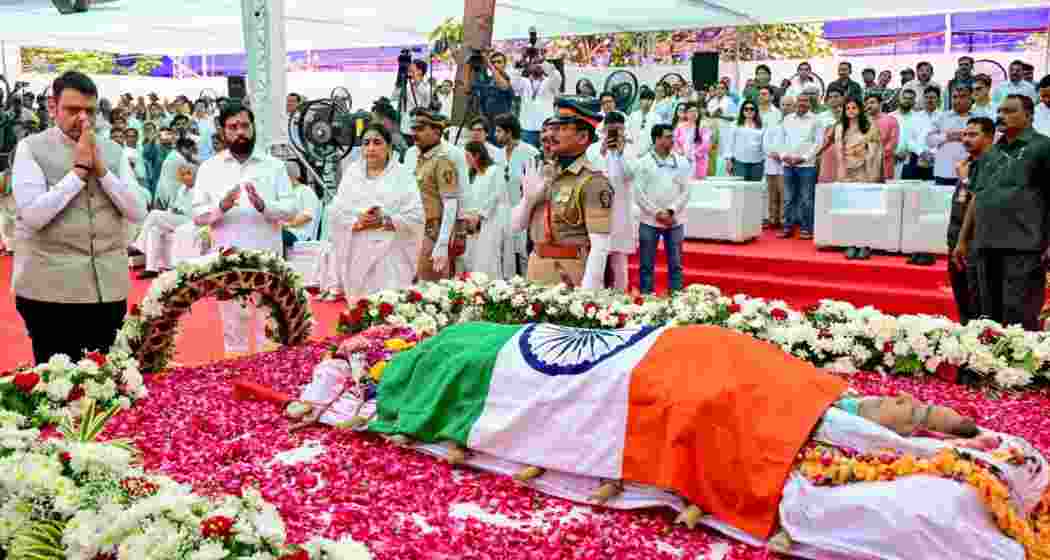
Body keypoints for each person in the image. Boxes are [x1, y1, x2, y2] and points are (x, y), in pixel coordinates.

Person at [12, 71, 147, 364]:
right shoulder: (31, 149)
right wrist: (78, 173)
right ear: (53, 107)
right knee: (58, 383)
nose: (83, 119)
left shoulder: (113, 151)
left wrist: (102, 170)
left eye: (90, 111)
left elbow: (138, 210)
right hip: (49, 292)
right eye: (73, 110)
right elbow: (33, 215)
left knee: (108, 380)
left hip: (108, 290)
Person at [191, 102, 302, 357]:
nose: (240, 132)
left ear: (253, 127)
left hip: (268, 263)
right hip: (228, 263)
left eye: (244, 125)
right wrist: (221, 207)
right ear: (223, 132)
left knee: (271, 335)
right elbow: (197, 215)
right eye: (233, 127)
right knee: (234, 338)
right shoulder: (209, 168)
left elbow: (291, 210)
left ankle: (271, 377)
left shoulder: (273, 166)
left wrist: (265, 206)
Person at [954, 95, 1050, 331]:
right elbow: (977, 198)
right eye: (999, 111)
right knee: (989, 318)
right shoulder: (991, 153)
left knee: (1020, 318)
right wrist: (963, 240)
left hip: (1024, 246)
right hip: (985, 244)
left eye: (1009, 111)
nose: (1001, 116)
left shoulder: (1043, 147)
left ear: (1029, 115)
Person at [512, 98, 614, 288]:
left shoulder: (593, 182)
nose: (552, 134)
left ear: (582, 137)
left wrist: (588, 293)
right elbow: (515, 226)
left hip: (569, 276)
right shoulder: (543, 172)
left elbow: (600, 246)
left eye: (562, 128)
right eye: (553, 128)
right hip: (536, 269)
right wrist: (528, 200)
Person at [322, 124, 422, 301]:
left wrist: (384, 220)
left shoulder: (403, 175)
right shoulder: (352, 174)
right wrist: (357, 220)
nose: (371, 148)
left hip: (391, 255)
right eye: (366, 143)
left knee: (388, 307)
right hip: (357, 252)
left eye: (377, 142)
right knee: (361, 309)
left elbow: (416, 215)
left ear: (389, 147)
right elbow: (336, 211)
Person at [613, 124, 691, 293]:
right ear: (657, 139)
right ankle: (646, 299)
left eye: (672, 136)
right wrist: (657, 213)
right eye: (668, 137)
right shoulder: (643, 162)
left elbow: (687, 190)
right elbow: (638, 193)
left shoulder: (682, 161)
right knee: (646, 265)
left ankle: (676, 299)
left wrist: (670, 211)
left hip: (675, 220)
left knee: (676, 264)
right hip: (649, 221)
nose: (672, 140)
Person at [945, 117, 995, 324]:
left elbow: (982, 201)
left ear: (990, 137)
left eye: (973, 135)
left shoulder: (993, 164)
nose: (966, 139)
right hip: (956, 239)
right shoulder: (967, 164)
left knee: (980, 303)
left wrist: (965, 180)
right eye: (965, 134)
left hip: (978, 241)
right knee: (963, 300)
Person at [410, 110, 465, 281]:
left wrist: (442, 243)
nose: (414, 133)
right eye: (413, 129)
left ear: (436, 132)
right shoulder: (420, 159)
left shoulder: (442, 161)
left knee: (428, 289)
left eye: (420, 129)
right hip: (416, 231)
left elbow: (451, 203)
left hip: (432, 234)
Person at [587, 111, 635, 291]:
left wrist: (621, 154)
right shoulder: (593, 149)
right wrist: (602, 152)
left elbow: (630, 175)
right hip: (598, 211)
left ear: (624, 130)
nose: (615, 134)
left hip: (620, 211)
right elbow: (589, 174)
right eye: (611, 130)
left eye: (619, 130)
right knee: (597, 258)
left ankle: (620, 296)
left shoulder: (629, 149)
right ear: (604, 130)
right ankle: (594, 295)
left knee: (619, 260)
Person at [832, 97, 883, 260]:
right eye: (848, 108)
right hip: (846, 171)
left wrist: (866, 156)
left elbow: (876, 149)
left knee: (864, 209)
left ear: (860, 109)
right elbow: (838, 151)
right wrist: (842, 170)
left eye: (854, 107)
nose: (851, 111)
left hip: (865, 171)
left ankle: (864, 245)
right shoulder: (840, 127)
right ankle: (850, 243)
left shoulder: (869, 126)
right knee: (849, 209)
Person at [493, 113, 540, 274]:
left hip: (523, 210)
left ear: (509, 132)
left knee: (523, 253)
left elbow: (535, 184)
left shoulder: (530, 152)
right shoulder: (497, 154)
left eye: (499, 131)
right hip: (502, 211)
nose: (495, 135)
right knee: (502, 252)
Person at [133, 162, 196, 279]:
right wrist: (173, 209)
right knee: (154, 229)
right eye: (183, 174)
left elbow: (194, 210)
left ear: (195, 174)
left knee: (154, 213)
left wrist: (178, 210)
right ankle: (151, 269)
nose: (185, 177)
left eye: (188, 173)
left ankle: (138, 245)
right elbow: (175, 205)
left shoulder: (198, 188)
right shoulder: (182, 189)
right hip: (178, 219)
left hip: (190, 220)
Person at [463, 141, 513, 279]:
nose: (466, 160)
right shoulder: (474, 176)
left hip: (493, 219)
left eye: (468, 156)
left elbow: (495, 195)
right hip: (476, 223)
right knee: (475, 258)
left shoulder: (494, 170)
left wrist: (479, 215)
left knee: (490, 257)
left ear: (477, 155)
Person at [776, 94, 822, 240]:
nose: (802, 103)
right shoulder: (787, 119)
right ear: (796, 103)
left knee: (806, 198)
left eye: (805, 101)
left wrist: (804, 158)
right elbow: (780, 139)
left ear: (810, 103)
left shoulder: (816, 120)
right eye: (800, 100)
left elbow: (818, 143)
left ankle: (806, 228)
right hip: (788, 164)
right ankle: (787, 227)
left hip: (806, 165)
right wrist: (784, 156)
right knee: (788, 198)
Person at [512, 59, 563, 149]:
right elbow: (514, 83)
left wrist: (543, 62)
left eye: (539, 64)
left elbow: (556, 77)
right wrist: (518, 67)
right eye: (534, 63)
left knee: (548, 154)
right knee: (528, 155)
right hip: (527, 128)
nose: (537, 65)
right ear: (529, 66)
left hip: (547, 128)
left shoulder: (549, 82)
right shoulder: (523, 82)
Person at [763, 95, 795, 230]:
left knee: (785, 195)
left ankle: (784, 220)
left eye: (788, 105)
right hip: (771, 162)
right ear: (780, 106)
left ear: (793, 107)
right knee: (772, 194)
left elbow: (795, 143)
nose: (785, 107)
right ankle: (772, 219)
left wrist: (782, 156)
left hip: (786, 163)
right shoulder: (773, 121)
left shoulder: (795, 123)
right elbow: (765, 140)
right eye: (783, 105)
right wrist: (772, 153)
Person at [392, 60, 433, 146]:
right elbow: (394, 97)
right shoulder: (407, 84)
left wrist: (416, 80)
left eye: (412, 68)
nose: (409, 69)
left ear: (420, 71)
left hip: (418, 125)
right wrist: (399, 83)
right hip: (405, 126)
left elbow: (426, 98)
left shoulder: (427, 86)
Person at [724, 99, 765, 181]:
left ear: (756, 111)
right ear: (742, 111)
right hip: (739, 162)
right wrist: (728, 160)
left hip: (757, 162)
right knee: (740, 187)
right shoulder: (735, 124)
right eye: (746, 109)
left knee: (755, 187)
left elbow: (764, 145)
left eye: (751, 109)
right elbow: (729, 143)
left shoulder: (762, 126)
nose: (749, 111)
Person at [673, 103, 714, 180]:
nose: (694, 113)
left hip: (698, 161)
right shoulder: (680, 126)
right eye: (691, 111)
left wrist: (694, 154)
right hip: (682, 160)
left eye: (696, 111)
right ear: (686, 113)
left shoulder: (703, 126)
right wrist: (679, 152)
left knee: (697, 183)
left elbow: (706, 144)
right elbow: (674, 141)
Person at [865, 93, 899, 182]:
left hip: (885, 163)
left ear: (880, 104)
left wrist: (877, 155)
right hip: (866, 165)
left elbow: (893, 142)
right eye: (867, 103)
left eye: (872, 102)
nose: (869, 105)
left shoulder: (891, 120)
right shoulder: (863, 121)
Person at [628, 87, 657, 156]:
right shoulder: (633, 115)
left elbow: (655, 137)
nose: (647, 102)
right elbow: (627, 131)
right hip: (631, 149)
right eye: (645, 99)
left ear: (653, 102)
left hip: (648, 152)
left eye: (650, 99)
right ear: (640, 100)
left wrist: (647, 150)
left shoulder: (656, 118)